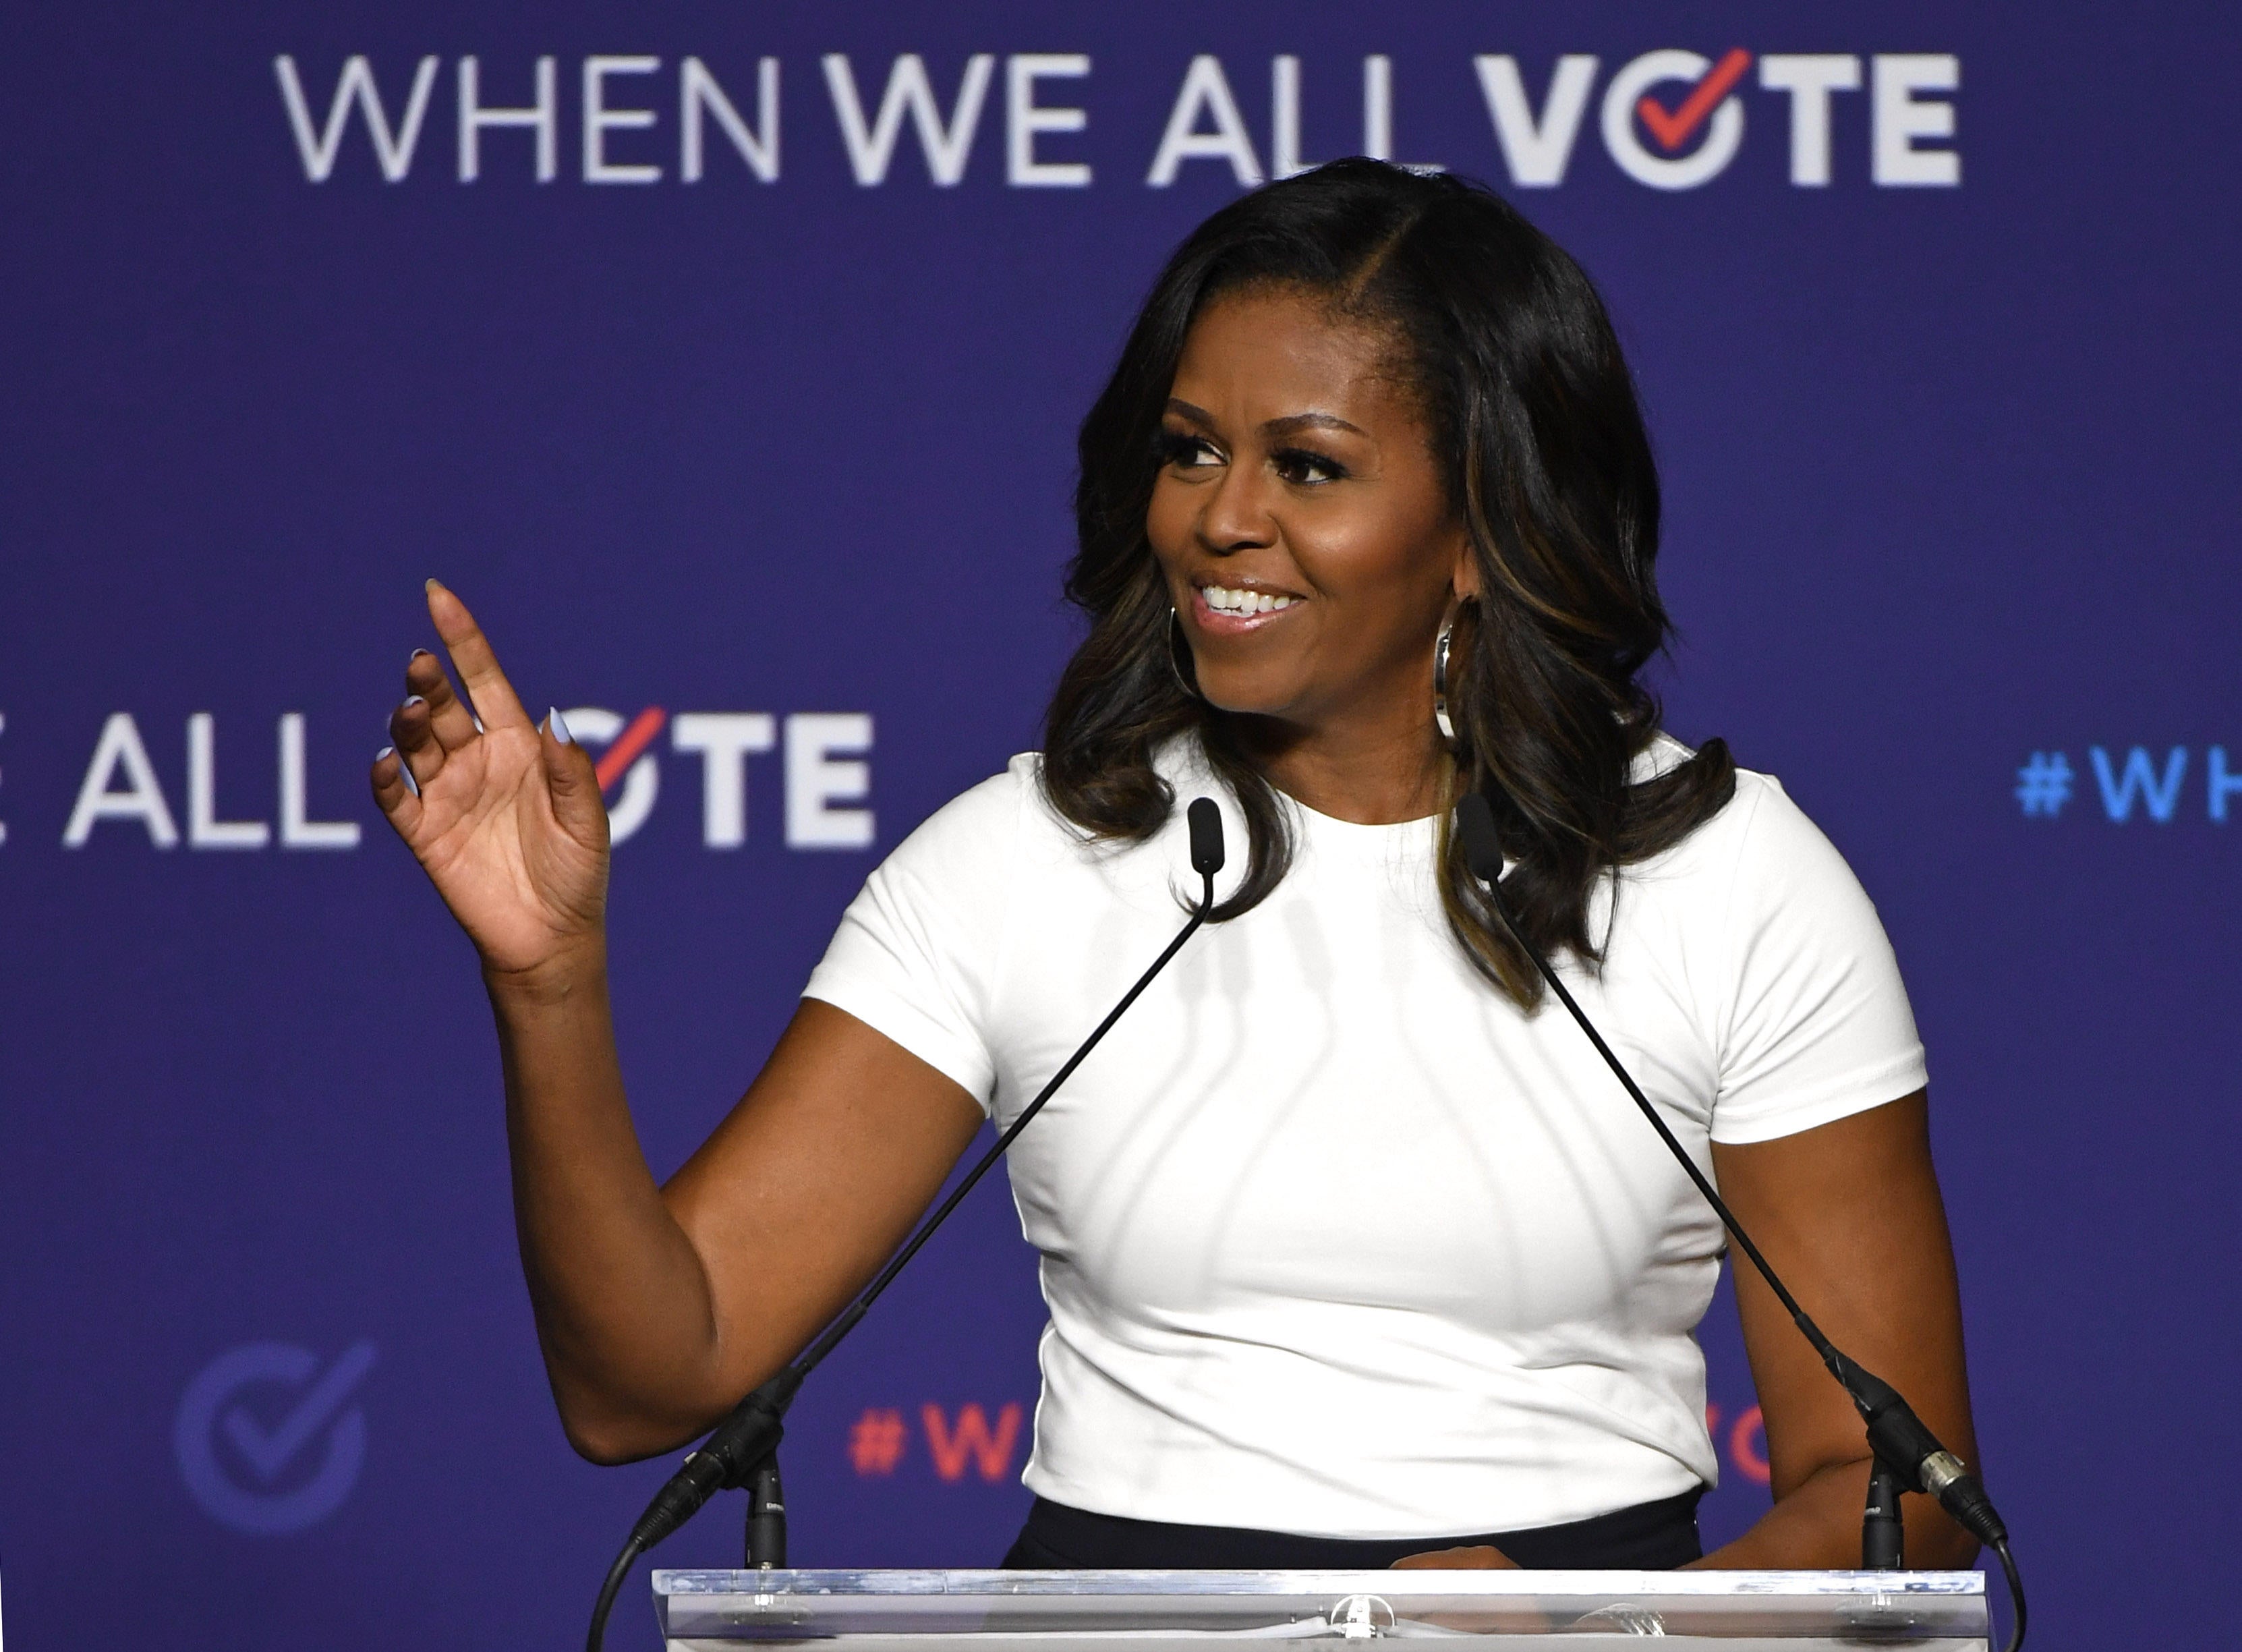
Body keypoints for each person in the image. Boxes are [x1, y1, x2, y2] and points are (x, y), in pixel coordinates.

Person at [372, 159, 1978, 1572]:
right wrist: (550, 983)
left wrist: (1588, 1637)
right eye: (1194, 451)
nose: (1223, 518)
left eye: (1311, 465)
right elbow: (653, 1378)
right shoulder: (1030, 860)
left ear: (1484, 521)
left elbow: (1893, 1495)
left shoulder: (1731, 879)